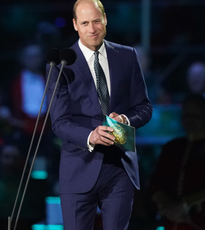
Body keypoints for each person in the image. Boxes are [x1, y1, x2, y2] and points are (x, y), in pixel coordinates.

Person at [46, 0, 152, 230]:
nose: (92, 29)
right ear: (75, 25)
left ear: (105, 19)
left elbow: (144, 107)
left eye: (96, 21)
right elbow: (60, 122)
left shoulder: (127, 56)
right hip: (78, 166)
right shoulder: (62, 64)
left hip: (120, 166)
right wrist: (90, 136)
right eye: (85, 23)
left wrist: (125, 120)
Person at [149, 94, 205, 230]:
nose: (189, 119)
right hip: (172, 223)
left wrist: (185, 205)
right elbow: (157, 183)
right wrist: (167, 207)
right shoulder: (172, 148)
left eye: (195, 114)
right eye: (186, 114)